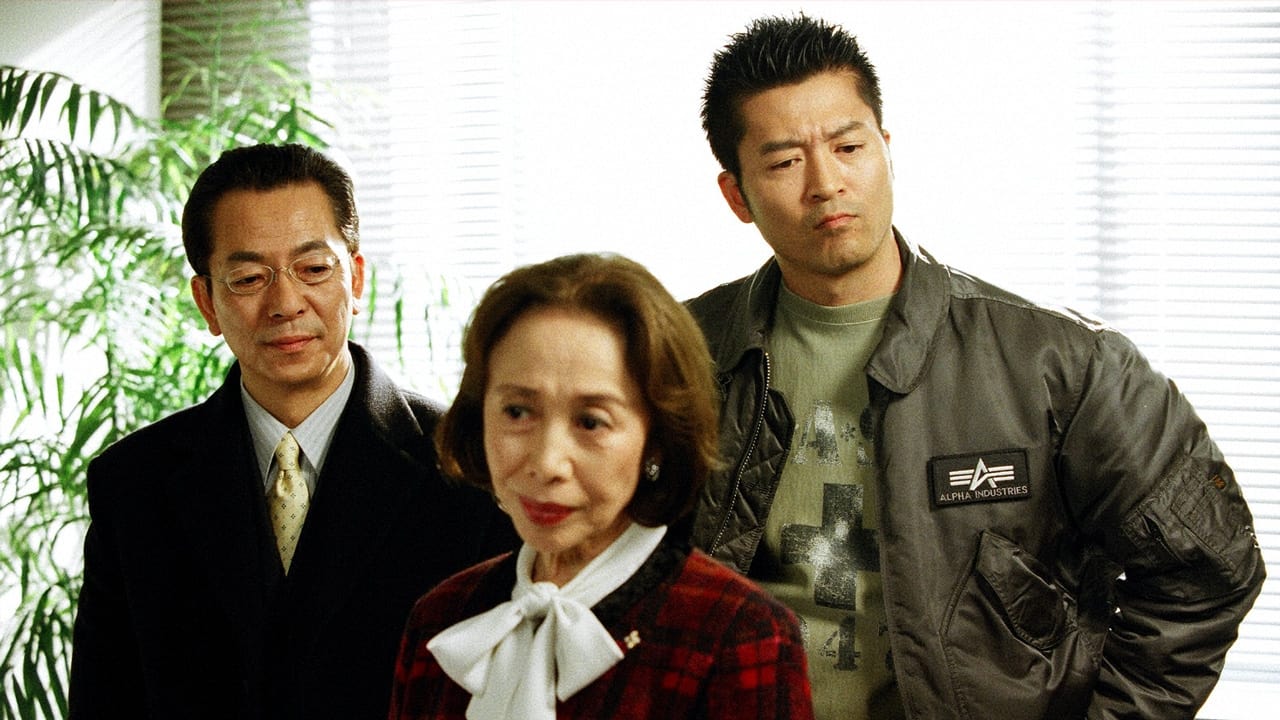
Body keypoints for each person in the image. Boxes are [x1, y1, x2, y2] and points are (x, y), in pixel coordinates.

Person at [683, 14, 1266, 720]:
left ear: (887, 150)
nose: (826, 183)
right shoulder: (675, 357)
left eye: (848, 147)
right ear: (737, 195)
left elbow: (1207, 570)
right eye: (783, 163)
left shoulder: (1061, 364)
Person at [68, 143, 516, 719]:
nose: (285, 303)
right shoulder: (133, 483)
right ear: (207, 302)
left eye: (314, 269)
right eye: (249, 278)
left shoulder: (467, 464)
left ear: (355, 278)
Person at [388, 253, 814, 720]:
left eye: (591, 421)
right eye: (517, 412)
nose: (547, 463)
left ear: (658, 437)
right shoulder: (442, 616)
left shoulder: (740, 635)